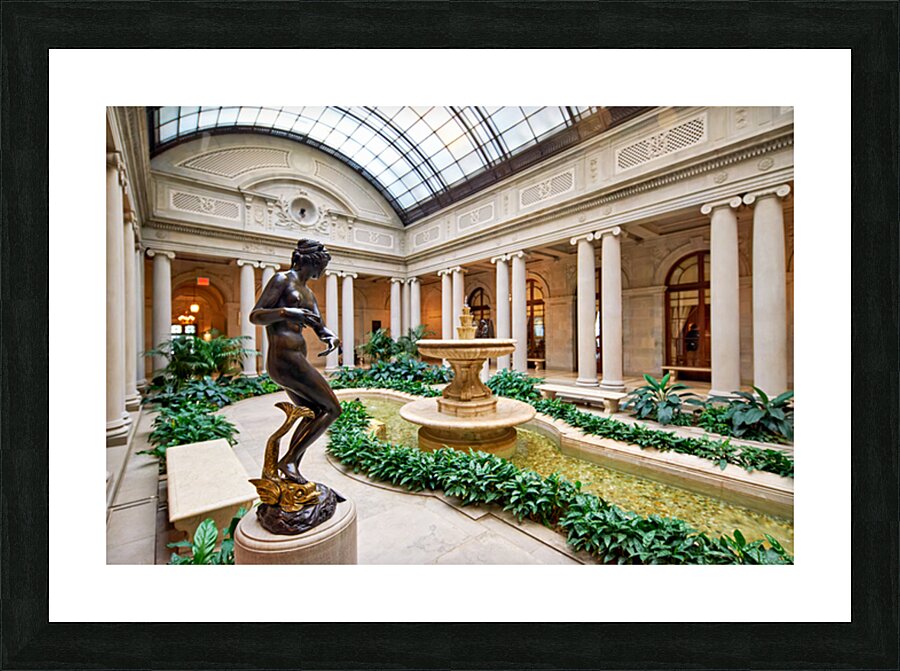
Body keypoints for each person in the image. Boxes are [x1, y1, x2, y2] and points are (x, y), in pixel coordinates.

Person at [249, 239, 341, 484]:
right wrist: (286, 312)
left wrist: (330, 336)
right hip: (284, 358)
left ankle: (291, 468)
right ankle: (289, 460)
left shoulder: (308, 292)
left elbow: (318, 325)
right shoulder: (282, 280)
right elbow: (256, 316)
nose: (322, 272)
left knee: (314, 412)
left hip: (296, 357)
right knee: (333, 408)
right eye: (321, 265)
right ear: (310, 261)